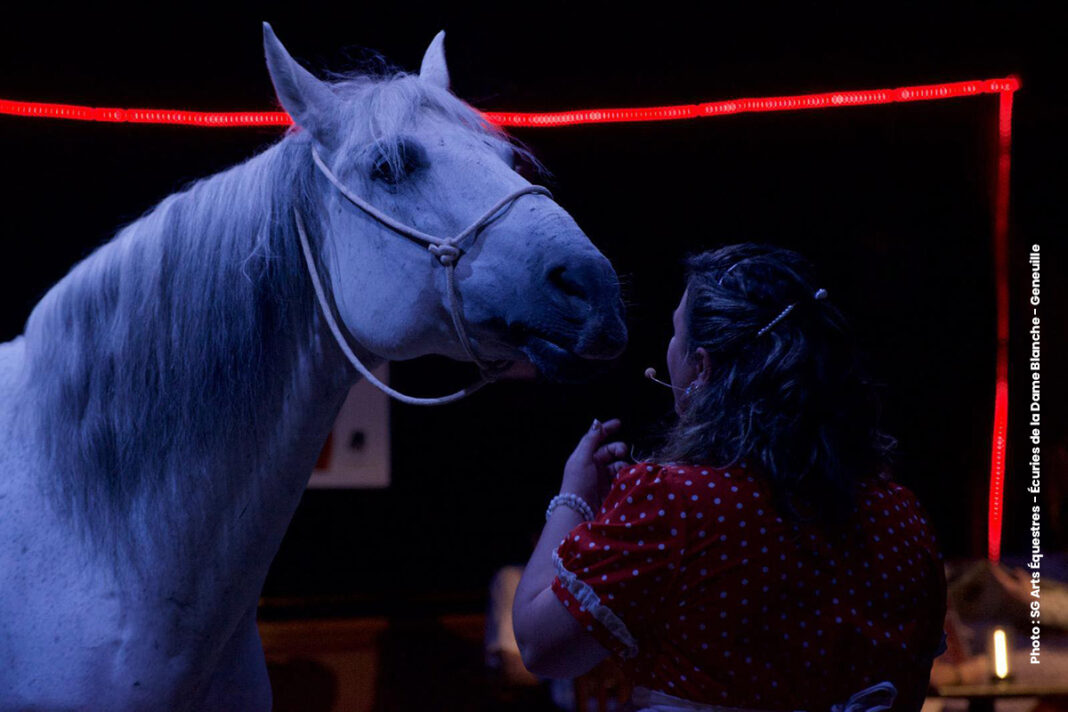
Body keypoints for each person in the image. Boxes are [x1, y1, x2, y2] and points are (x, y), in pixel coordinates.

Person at [513, 243, 947, 712]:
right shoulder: (901, 514)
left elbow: (541, 647)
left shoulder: (675, 503)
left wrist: (573, 498)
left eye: (675, 332)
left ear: (702, 366)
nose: (669, 349)